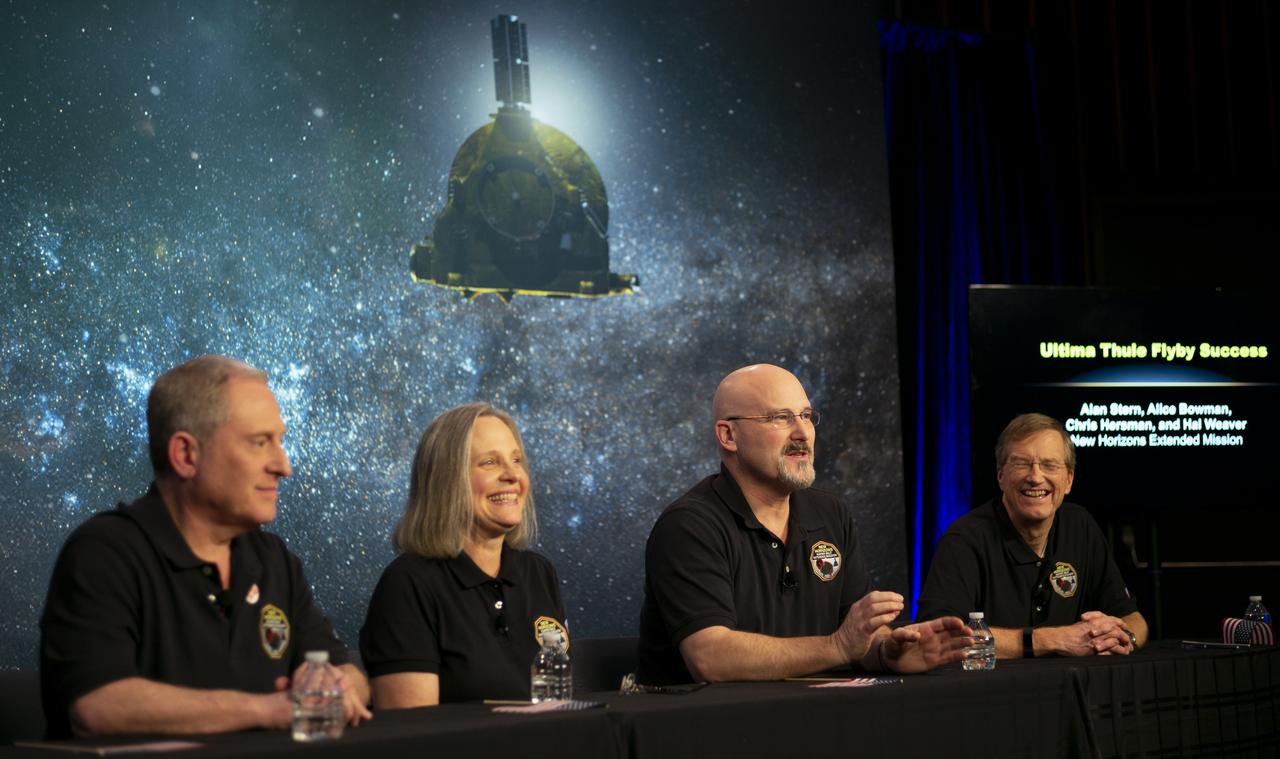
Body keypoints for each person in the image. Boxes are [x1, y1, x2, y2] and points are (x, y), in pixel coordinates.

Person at [39, 355, 371, 739]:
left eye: (280, 442)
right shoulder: (104, 554)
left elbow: (350, 676)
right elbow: (97, 706)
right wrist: (267, 709)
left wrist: (339, 686)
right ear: (186, 455)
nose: (283, 465)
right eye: (259, 443)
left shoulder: (274, 560)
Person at [636, 364, 971, 685]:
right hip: (708, 732)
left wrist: (888, 652)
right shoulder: (689, 526)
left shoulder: (829, 513)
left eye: (807, 416)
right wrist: (837, 646)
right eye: (780, 418)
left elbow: (856, 637)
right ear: (729, 435)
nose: (802, 433)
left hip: (811, 720)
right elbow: (710, 658)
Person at [359, 403, 568, 707]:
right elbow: (410, 737)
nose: (512, 475)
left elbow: (559, 708)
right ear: (446, 481)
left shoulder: (539, 573)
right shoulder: (409, 584)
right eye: (489, 462)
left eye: (516, 460)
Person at [917, 413, 1149, 657]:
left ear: (1069, 480)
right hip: (993, 692)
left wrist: (1124, 638)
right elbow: (939, 638)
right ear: (1001, 476)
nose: (1036, 477)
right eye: (1021, 463)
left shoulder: (1080, 526)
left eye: (1050, 465)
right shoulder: (964, 540)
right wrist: (1053, 639)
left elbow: (1132, 617)